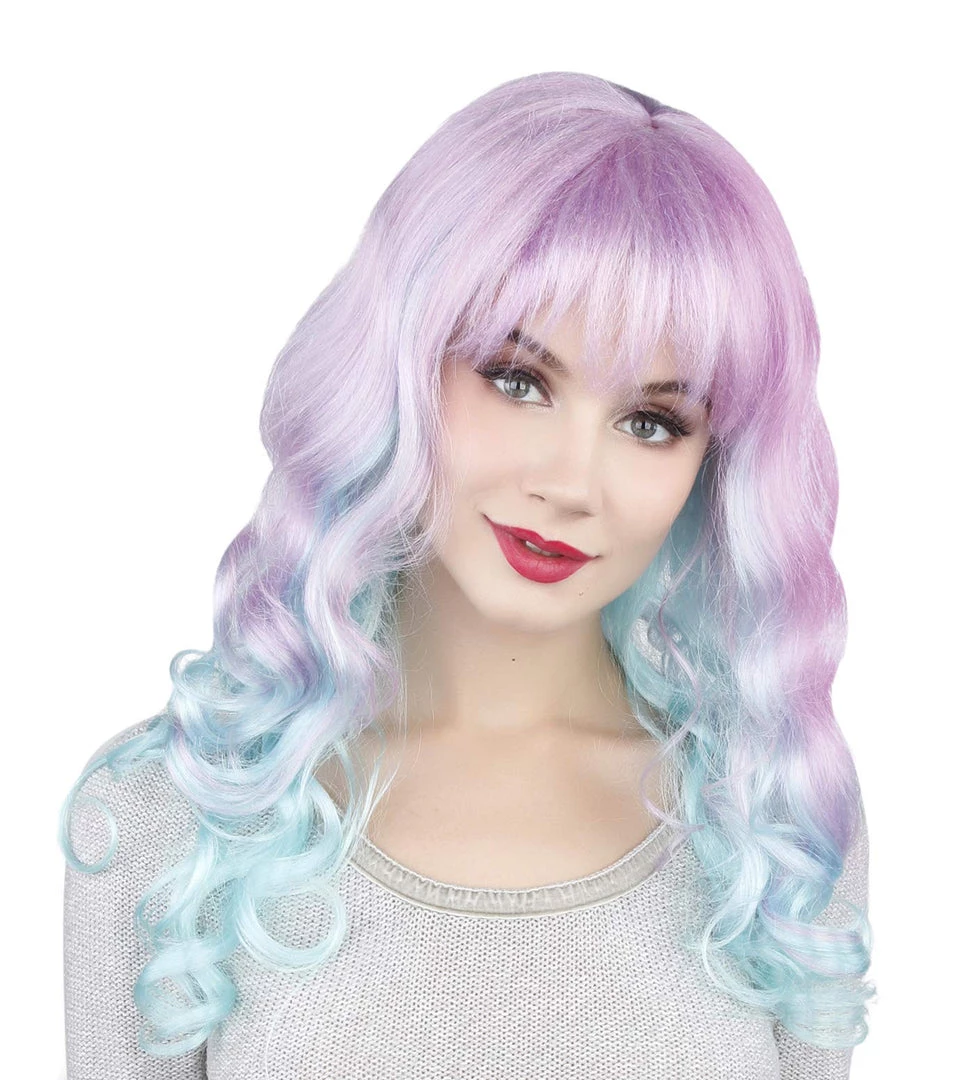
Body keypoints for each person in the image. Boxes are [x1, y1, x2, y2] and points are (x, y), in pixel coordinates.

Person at [59, 71, 875, 1078]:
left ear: (714, 464)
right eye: (517, 379)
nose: (571, 482)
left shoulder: (773, 828)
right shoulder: (173, 812)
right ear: (399, 365)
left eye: (651, 421)